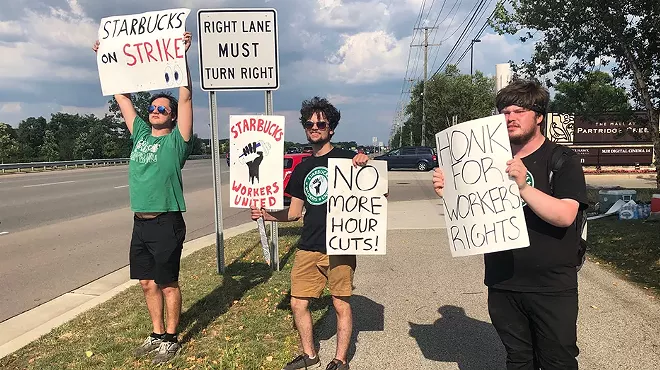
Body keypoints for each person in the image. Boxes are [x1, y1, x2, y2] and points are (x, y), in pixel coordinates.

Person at [432, 79, 588, 370]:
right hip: (502, 280)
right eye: (504, 111)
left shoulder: (561, 159)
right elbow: (474, 209)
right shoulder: (488, 159)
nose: (511, 117)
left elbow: (566, 215)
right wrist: (450, 193)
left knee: (559, 361)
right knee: (517, 359)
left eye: (520, 110)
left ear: (539, 116)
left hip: (551, 285)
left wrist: (524, 187)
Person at [92, 32, 194, 365]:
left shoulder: (177, 141)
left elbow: (187, 99)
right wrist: (106, 58)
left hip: (167, 220)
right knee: (146, 282)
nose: (154, 111)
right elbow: (121, 98)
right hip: (140, 222)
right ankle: (156, 333)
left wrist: (183, 58)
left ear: (173, 116)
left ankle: (172, 338)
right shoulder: (139, 133)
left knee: (167, 283)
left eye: (162, 108)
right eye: (152, 107)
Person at [251, 96, 369, 370]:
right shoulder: (302, 169)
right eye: (309, 123)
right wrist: (267, 214)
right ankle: (310, 355)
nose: (314, 127)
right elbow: (293, 213)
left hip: (340, 244)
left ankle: (340, 360)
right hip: (308, 247)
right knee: (297, 303)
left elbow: (380, 192)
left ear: (331, 128)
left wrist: (366, 164)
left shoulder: (347, 159)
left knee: (340, 304)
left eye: (321, 123)